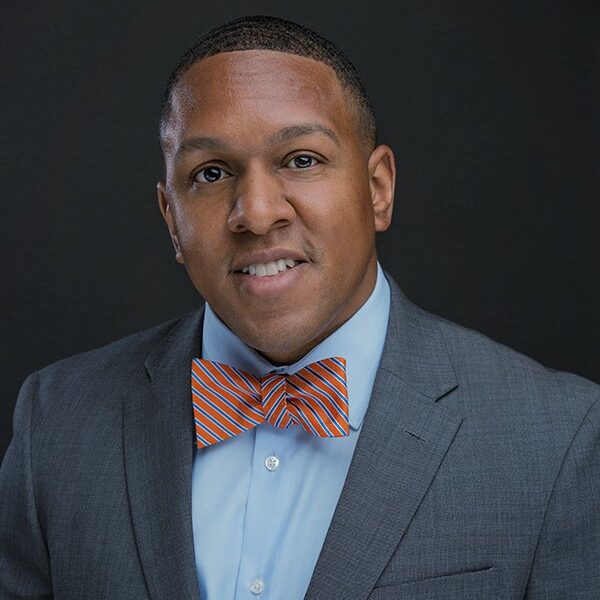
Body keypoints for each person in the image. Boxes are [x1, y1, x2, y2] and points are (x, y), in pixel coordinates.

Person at [1, 14, 598, 600]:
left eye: (302, 159)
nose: (257, 213)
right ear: (171, 221)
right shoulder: (55, 423)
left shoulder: (559, 439)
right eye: (210, 173)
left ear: (378, 189)